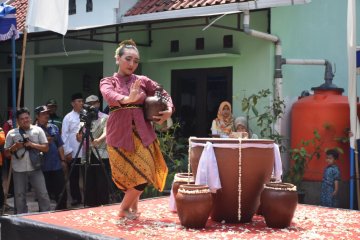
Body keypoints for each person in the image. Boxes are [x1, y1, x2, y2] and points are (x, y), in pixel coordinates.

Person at [100, 39, 173, 219]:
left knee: (144, 174)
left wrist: (169, 110)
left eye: (136, 61)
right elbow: (109, 95)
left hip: (142, 134)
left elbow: (162, 93)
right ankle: (133, 209)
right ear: (117, 58)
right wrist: (127, 99)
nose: (132, 64)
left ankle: (123, 209)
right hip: (118, 135)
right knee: (128, 177)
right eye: (128, 59)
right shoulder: (107, 81)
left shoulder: (143, 81)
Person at [3, 107, 51, 214]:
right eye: (22, 118)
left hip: (36, 168)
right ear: (18, 121)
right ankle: (21, 219)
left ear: (30, 117)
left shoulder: (38, 130)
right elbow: (6, 154)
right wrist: (15, 146)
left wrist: (31, 144)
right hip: (18, 169)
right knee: (19, 196)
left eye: (27, 117)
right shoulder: (11, 133)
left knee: (42, 194)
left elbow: (46, 148)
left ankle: (46, 216)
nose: (25, 120)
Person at [34, 105, 67, 210]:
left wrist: (63, 160)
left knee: (61, 193)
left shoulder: (54, 127)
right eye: (43, 114)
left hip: (56, 165)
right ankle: (43, 217)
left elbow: (60, 145)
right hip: (42, 167)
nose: (46, 116)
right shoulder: (33, 130)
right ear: (37, 116)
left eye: (47, 113)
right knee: (43, 194)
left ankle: (62, 214)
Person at [81, 94, 111, 207]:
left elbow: (106, 131)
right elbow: (79, 132)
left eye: (94, 103)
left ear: (98, 103)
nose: (92, 106)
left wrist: (99, 139)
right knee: (89, 180)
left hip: (101, 153)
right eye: (89, 104)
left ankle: (103, 204)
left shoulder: (105, 117)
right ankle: (89, 204)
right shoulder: (84, 117)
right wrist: (78, 135)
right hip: (87, 153)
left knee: (102, 181)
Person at [61, 93, 84, 206]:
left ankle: (88, 196)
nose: (81, 103)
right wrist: (67, 151)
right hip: (73, 152)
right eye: (78, 101)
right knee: (74, 177)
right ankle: (76, 198)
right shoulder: (68, 117)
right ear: (72, 103)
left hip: (84, 152)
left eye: (81, 101)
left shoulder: (85, 115)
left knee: (85, 175)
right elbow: (64, 135)